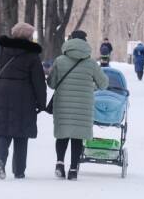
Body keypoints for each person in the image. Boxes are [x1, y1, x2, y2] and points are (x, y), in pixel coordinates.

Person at [47, 30, 109, 181]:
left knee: (62, 134)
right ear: (85, 42)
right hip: (83, 106)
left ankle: (59, 164)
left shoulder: (60, 61)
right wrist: (91, 85)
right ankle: (73, 170)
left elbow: (51, 83)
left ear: (70, 41)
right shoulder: (91, 63)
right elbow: (104, 84)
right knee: (78, 137)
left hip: (63, 104)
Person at [0, 22, 47, 180]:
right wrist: (41, 103)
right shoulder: (32, 55)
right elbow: (39, 82)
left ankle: (1, 160)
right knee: (21, 133)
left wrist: (2, 85)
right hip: (24, 97)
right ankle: (19, 170)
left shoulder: (0, 50)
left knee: (3, 130)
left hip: (2, 94)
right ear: (28, 36)